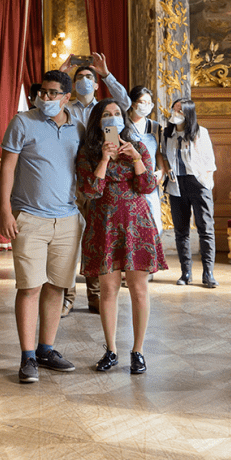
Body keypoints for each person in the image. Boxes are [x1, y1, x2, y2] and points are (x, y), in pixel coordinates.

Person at [0, 70, 83, 384]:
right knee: (30, 287)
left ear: (66, 97)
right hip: (30, 218)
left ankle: (47, 350)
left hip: (69, 219)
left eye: (51, 93)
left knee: (57, 286)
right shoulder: (22, 122)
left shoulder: (79, 128)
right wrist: (5, 210)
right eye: (42, 92)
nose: (45, 98)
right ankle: (28, 356)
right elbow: (6, 168)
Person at [77, 100, 166, 374]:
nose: (113, 119)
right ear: (98, 121)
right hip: (104, 224)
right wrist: (104, 158)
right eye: (107, 115)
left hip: (137, 225)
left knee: (139, 289)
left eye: (117, 114)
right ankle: (111, 349)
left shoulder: (137, 146)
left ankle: (138, 351)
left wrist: (137, 159)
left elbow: (148, 185)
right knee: (108, 289)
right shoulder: (89, 151)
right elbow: (90, 191)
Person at [60, 54, 131, 316]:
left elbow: (125, 102)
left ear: (96, 83)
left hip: (100, 179)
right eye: (79, 78)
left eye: (89, 77)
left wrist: (106, 73)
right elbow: (52, 100)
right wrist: (62, 73)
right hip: (70, 180)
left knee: (96, 240)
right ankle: (67, 296)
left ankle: (95, 295)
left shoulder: (106, 110)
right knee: (70, 241)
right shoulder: (68, 107)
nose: (85, 81)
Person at [164, 98, 218, 288]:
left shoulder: (200, 132)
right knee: (181, 231)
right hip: (176, 183)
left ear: (189, 113)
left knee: (205, 228)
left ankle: (208, 272)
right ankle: (186, 272)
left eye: (181, 111)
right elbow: (164, 157)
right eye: (174, 109)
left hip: (198, 183)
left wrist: (204, 182)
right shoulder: (167, 133)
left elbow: (209, 162)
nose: (176, 113)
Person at [127, 86, 165, 234]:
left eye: (149, 103)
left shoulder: (155, 126)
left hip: (149, 180)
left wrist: (161, 171)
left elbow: (158, 152)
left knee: (154, 224)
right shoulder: (119, 124)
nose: (146, 106)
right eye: (142, 102)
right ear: (132, 103)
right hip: (128, 179)